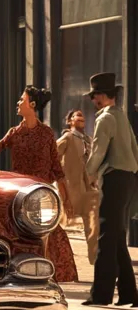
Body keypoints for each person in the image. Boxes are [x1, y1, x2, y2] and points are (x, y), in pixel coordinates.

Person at [0, 86, 77, 283]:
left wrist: (66, 198)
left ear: (32, 105)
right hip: (20, 195)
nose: (18, 103)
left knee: (49, 234)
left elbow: (57, 168)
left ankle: (50, 275)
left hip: (41, 194)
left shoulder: (46, 134)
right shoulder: (15, 133)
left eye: (22, 99)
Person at [83, 72, 138, 307]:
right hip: (127, 179)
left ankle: (101, 295)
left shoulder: (105, 118)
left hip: (114, 178)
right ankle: (129, 294)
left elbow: (98, 150)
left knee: (106, 236)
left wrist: (89, 174)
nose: (93, 100)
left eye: (94, 95)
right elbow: (135, 148)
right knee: (116, 237)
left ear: (104, 95)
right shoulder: (121, 116)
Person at [57, 109, 99, 264]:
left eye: (83, 115)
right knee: (62, 223)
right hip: (71, 188)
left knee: (92, 223)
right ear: (70, 121)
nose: (81, 117)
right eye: (77, 115)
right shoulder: (67, 137)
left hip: (89, 188)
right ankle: (58, 257)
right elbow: (53, 157)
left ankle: (95, 258)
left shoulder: (88, 140)